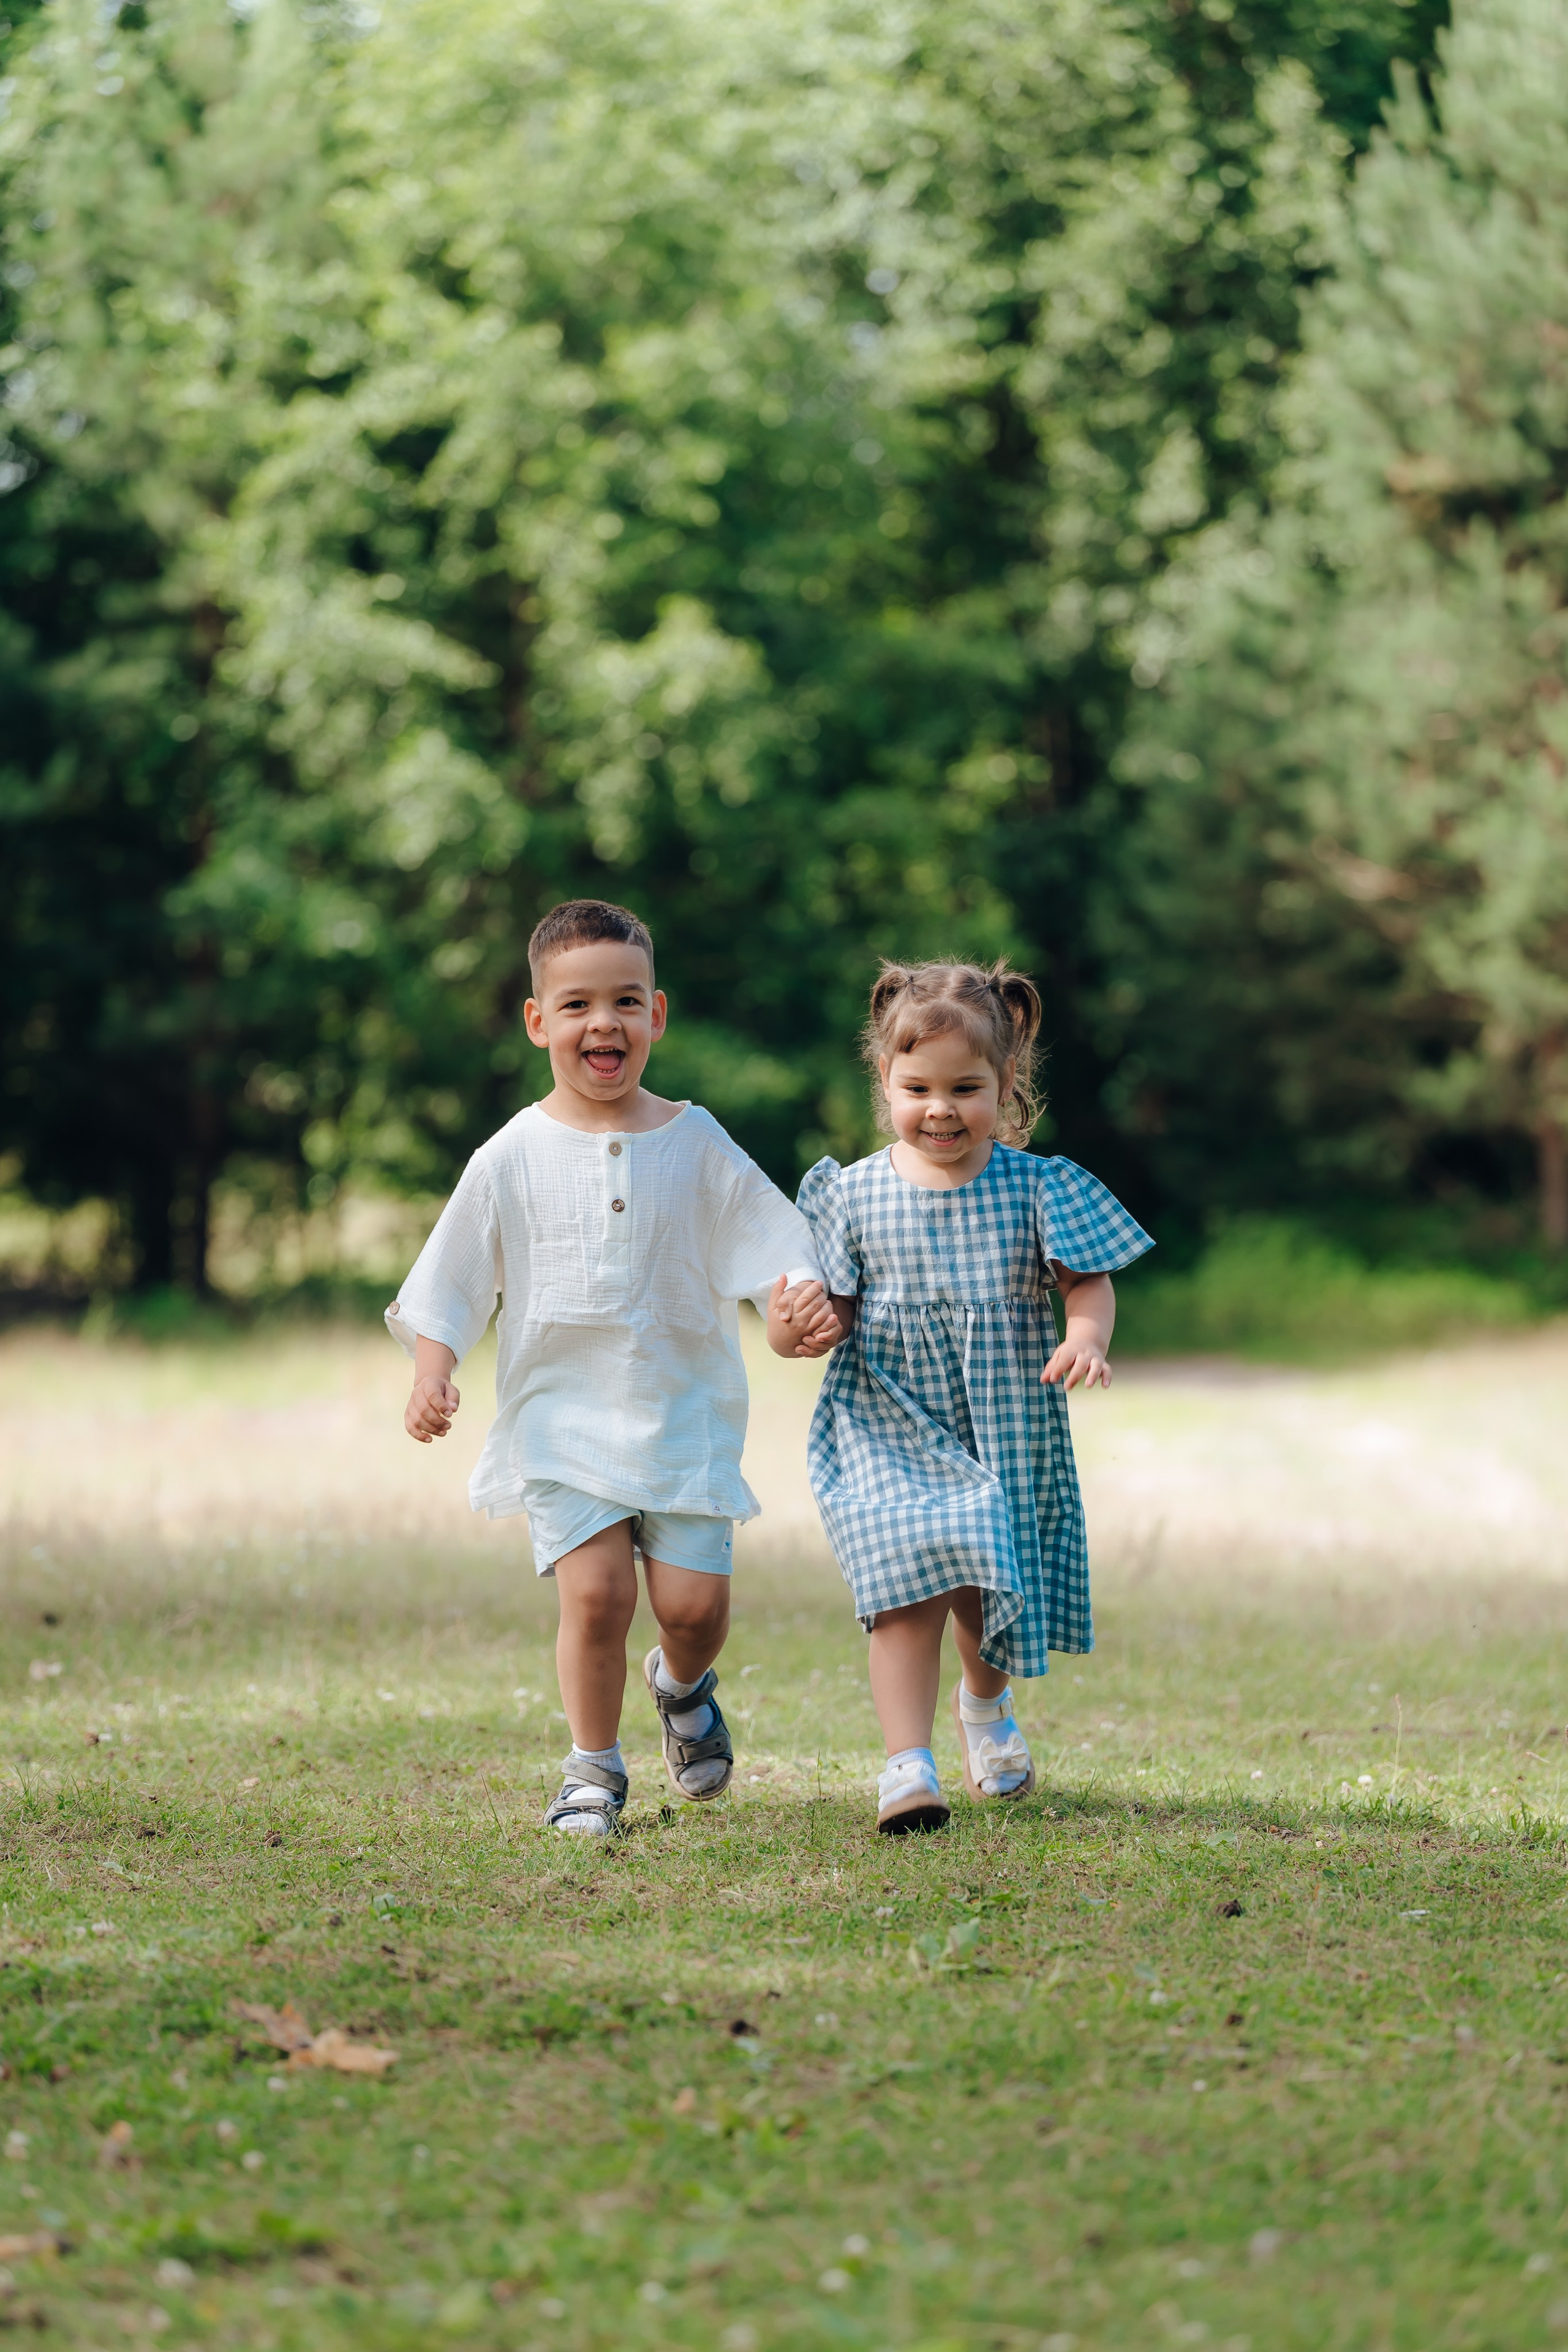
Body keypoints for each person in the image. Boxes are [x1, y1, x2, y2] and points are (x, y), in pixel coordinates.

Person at [388, 899, 838, 1836]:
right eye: (580, 1004)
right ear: (538, 1020)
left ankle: (682, 1687)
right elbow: (455, 1276)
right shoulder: (511, 1154)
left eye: (626, 1002)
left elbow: (778, 1258)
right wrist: (433, 1370)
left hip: (683, 1411)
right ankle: (592, 1770)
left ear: (657, 1016)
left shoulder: (695, 1141)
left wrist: (797, 1315)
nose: (605, 1023)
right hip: (562, 1415)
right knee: (595, 1597)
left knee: (693, 1607)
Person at [796, 959, 1153, 1834]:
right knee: (907, 1582)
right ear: (885, 1084)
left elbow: (1087, 1282)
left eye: (967, 1087)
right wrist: (793, 1324)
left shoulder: (1037, 1187)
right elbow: (823, 1318)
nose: (941, 1108)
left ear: (1007, 1083)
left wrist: (1086, 1336)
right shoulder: (851, 1193)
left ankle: (985, 1706)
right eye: (917, 1087)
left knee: (983, 1582)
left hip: (1002, 1418)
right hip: (889, 1418)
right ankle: (905, 1768)